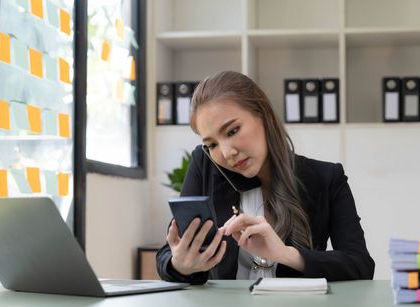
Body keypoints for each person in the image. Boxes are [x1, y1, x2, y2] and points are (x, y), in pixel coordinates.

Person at [156, 71, 374, 284]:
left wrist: (286, 254)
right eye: (212, 144)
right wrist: (181, 265)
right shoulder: (205, 164)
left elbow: (360, 265)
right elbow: (168, 254)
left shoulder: (327, 178)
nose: (226, 152)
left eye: (232, 131)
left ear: (263, 115)